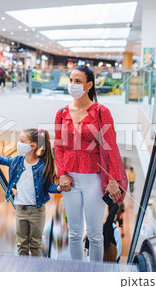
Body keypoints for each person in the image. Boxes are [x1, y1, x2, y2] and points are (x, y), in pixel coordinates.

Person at [54, 65, 123, 262]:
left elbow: (110, 147)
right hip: (70, 180)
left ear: (89, 85)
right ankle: (76, 274)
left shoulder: (101, 112)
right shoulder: (61, 113)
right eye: (71, 80)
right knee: (74, 233)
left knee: (94, 233)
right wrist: (61, 174)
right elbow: (58, 147)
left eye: (78, 81)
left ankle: (94, 275)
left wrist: (112, 179)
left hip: (94, 178)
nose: (72, 85)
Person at [0, 128, 61, 256]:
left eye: (22, 141)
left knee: (35, 245)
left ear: (33, 146)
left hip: (37, 211)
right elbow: (2, 160)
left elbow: (48, 186)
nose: (19, 143)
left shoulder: (43, 165)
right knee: (22, 245)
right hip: (20, 210)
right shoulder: (17, 161)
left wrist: (58, 188)